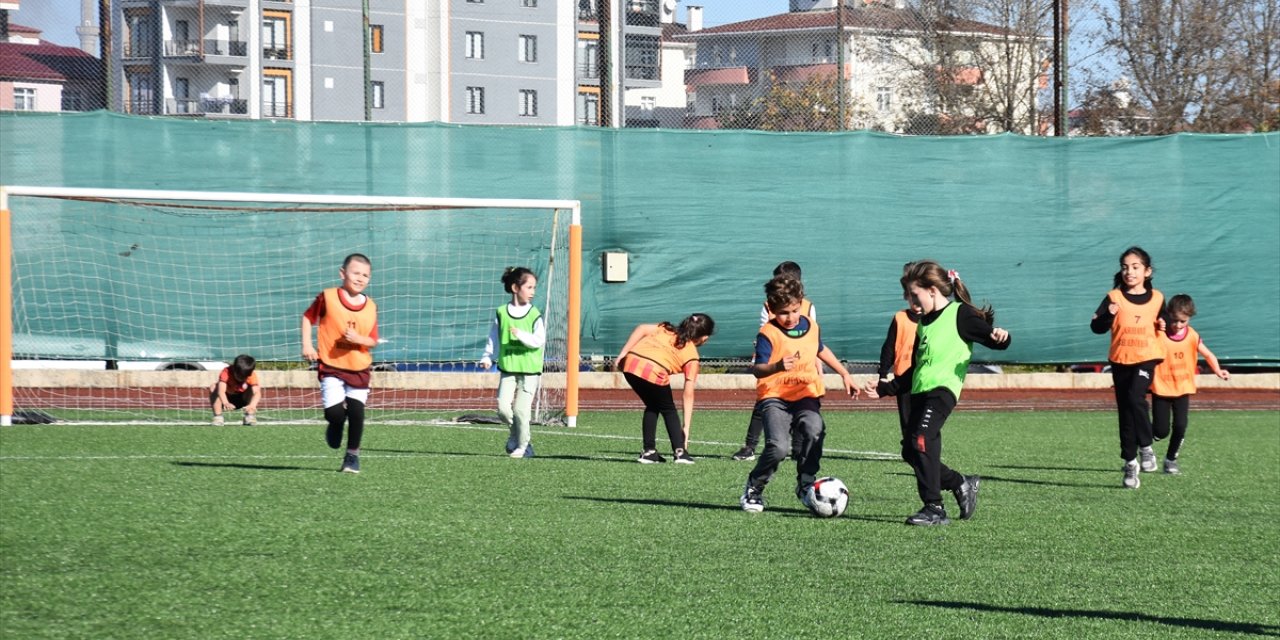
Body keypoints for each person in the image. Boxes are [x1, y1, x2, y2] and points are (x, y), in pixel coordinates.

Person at [863, 261, 1010, 526]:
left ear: (932, 291)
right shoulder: (924, 324)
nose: (911, 300)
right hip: (920, 391)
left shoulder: (960, 314)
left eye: (914, 294)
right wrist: (885, 388)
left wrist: (1002, 336)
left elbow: (993, 338)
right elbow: (914, 369)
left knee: (921, 440)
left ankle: (934, 508)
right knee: (911, 451)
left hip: (942, 391)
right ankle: (960, 483)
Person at [740, 275, 858, 513]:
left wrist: (844, 373)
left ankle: (806, 481)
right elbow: (757, 369)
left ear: (801, 303)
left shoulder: (810, 325)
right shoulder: (768, 333)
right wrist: (777, 366)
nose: (791, 317)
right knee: (778, 448)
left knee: (815, 428)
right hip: (775, 397)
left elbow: (820, 349)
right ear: (771, 310)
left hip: (805, 393)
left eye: (794, 310)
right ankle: (755, 486)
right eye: (783, 312)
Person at [1090, 246, 1166, 489]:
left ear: (1147, 271)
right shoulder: (1114, 297)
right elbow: (1096, 327)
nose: (1129, 271)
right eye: (1125, 267)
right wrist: (1108, 315)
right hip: (1121, 359)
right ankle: (1130, 463)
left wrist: (1166, 324)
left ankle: (1146, 447)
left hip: (1146, 357)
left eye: (1135, 267)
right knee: (1126, 412)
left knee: (1135, 397)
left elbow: (1167, 321)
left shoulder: (1158, 298)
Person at [731, 261, 816, 462]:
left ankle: (797, 448)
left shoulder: (808, 307)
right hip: (775, 364)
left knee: (799, 404)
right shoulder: (769, 305)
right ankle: (750, 446)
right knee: (764, 403)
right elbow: (765, 330)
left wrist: (815, 366)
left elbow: (813, 338)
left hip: (799, 367)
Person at [302, 253, 379, 474]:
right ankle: (335, 424)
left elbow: (372, 340)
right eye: (356, 273)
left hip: (359, 367)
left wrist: (358, 340)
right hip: (332, 365)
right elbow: (308, 318)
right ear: (342, 273)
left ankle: (352, 456)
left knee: (357, 411)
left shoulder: (371, 306)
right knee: (334, 413)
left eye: (365, 275)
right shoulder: (328, 297)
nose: (360, 278)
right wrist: (307, 345)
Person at [615, 313, 716, 464]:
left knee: (653, 405)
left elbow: (641, 328)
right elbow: (688, 394)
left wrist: (623, 353)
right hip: (654, 370)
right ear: (704, 338)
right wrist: (686, 427)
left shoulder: (665, 329)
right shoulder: (691, 354)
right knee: (669, 409)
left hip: (631, 364)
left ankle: (649, 452)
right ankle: (680, 452)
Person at [1150, 294, 1230, 475]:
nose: (1178, 325)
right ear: (1168, 314)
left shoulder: (1192, 335)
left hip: (1183, 388)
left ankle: (1170, 460)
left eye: (1183, 321)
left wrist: (1218, 370)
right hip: (1161, 388)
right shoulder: (1159, 333)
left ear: (1189, 318)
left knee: (1180, 426)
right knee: (1160, 431)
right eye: (1175, 320)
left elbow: (1208, 354)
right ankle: (1141, 445)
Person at [480, 267, 546, 459]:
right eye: (529, 287)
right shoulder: (501, 312)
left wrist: (521, 335)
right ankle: (516, 434)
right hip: (508, 368)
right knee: (502, 409)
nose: (533, 292)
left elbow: (538, 340)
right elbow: (493, 336)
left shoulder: (534, 314)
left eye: (534, 287)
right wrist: (486, 356)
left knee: (520, 410)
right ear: (515, 287)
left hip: (529, 371)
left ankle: (523, 446)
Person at [872, 275, 923, 457]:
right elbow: (889, 347)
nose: (915, 301)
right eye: (911, 296)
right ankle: (910, 447)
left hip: (924, 378)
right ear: (906, 296)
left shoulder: (933, 319)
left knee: (923, 417)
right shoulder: (900, 317)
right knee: (907, 419)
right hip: (903, 379)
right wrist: (883, 374)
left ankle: (920, 447)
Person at [208, 354, 261, 426]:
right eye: (240, 376)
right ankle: (218, 417)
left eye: (245, 377)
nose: (242, 379)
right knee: (213, 387)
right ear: (234, 369)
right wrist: (226, 402)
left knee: (253, 389)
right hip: (226, 400)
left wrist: (252, 405)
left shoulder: (251, 375)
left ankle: (249, 416)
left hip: (243, 399)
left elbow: (257, 392)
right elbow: (221, 391)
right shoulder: (226, 372)